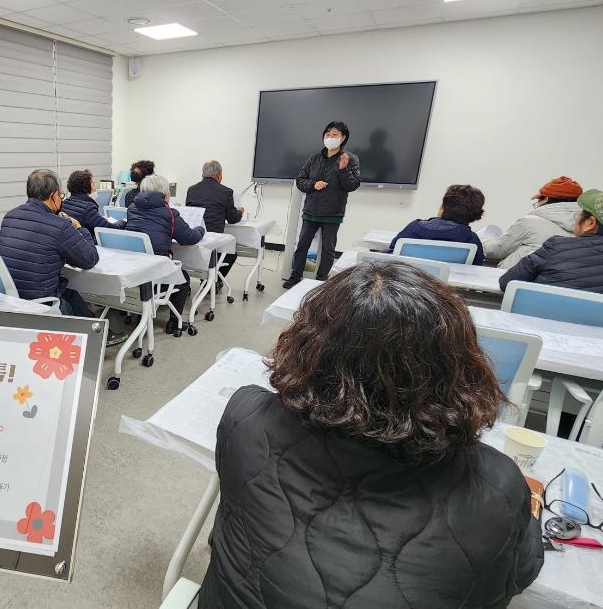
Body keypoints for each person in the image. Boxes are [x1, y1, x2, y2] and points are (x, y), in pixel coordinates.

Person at [200, 262, 544, 609]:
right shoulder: (497, 483)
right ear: (460, 364)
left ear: (307, 344)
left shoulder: (245, 417)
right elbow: (522, 569)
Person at [0, 169, 126, 346]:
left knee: (69, 291)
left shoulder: (10, 216)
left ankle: (98, 332)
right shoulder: (60, 226)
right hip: (41, 302)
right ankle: (92, 337)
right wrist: (79, 228)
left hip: (12, 294)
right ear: (54, 196)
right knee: (66, 292)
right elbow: (89, 259)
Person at [499, 182, 603, 309]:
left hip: (540, 338)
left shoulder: (556, 246)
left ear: (590, 222)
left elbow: (508, 282)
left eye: (579, 214)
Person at [284, 121, 361, 288]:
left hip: (333, 213)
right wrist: (313, 185)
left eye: (334, 135)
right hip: (311, 211)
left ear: (343, 138)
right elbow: (300, 180)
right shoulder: (314, 159)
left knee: (328, 250)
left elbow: (352, 185)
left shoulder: (350, 159)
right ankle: (295, 276)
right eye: (327, 134)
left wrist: (343, 169)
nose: (330, 137)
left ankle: (321, 280)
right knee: (302, 245)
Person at [126, 175, 205, 333]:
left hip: (134, 268)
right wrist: (201, 229)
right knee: (183, 279)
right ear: (164, 193)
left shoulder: (132, 208)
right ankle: (174, 322)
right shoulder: (169, 213)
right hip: (155, 272)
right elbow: (188, 238)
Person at [484, 176, 583, 270]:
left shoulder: (529, 222)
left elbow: (498, 250)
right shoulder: (588, 228)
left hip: (512, 281)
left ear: (546, 199)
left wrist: (481, 242)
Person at [389, 184, 487, 265]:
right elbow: (476, 267)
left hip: (409, 285)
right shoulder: (472, 240)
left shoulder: (415, 228)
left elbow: (392, 251)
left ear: (443, 208)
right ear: (475, 215)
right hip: (449, 288)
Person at [186, 161, 244, 280]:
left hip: (194, 238)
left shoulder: (191, 190)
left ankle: (208, 281)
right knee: (231, 253)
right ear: (219, 175)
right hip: (213, 240)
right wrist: (240, 211)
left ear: (202, 175)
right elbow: (233, 219)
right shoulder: (226, 191)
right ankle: (214, 281)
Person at [61, 169, 125, 239]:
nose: (95, 187)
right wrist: (123, 221)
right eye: (93, 184)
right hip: (87, 243)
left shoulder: (64, 203)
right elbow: (110, 228)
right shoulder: (88, 208)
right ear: (86, 187)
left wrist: (100, 219)